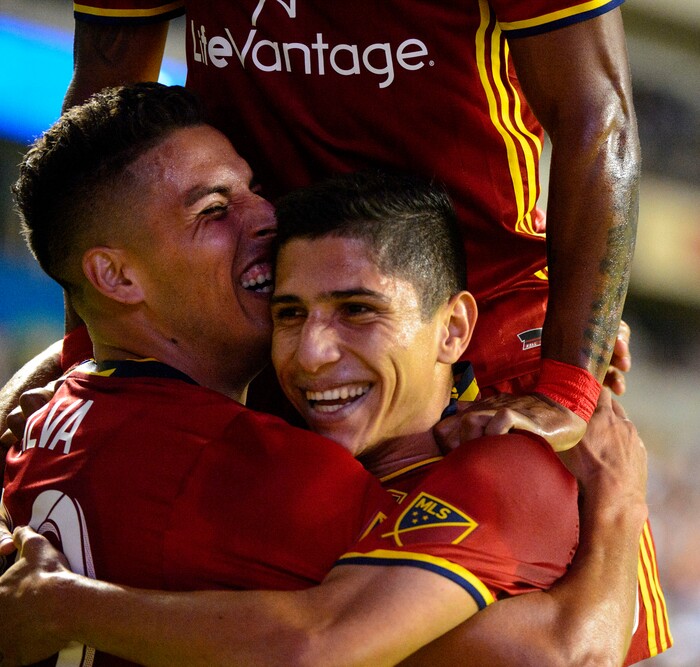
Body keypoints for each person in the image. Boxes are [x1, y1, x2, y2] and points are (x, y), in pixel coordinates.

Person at [0, 127, 665, 665]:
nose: (312, 351)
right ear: (114, 275)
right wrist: (618, 514)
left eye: (357, 311)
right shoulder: (251, 464)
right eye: (285, 311)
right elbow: (552, 652)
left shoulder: (51, 417)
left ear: (455, 327)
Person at [31, 0, 638, 452]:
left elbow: (597, 118)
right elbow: (95, 146)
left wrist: (569, 385)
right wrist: (95, 359)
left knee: (528, 602)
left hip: (479, 334)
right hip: (276, 331)